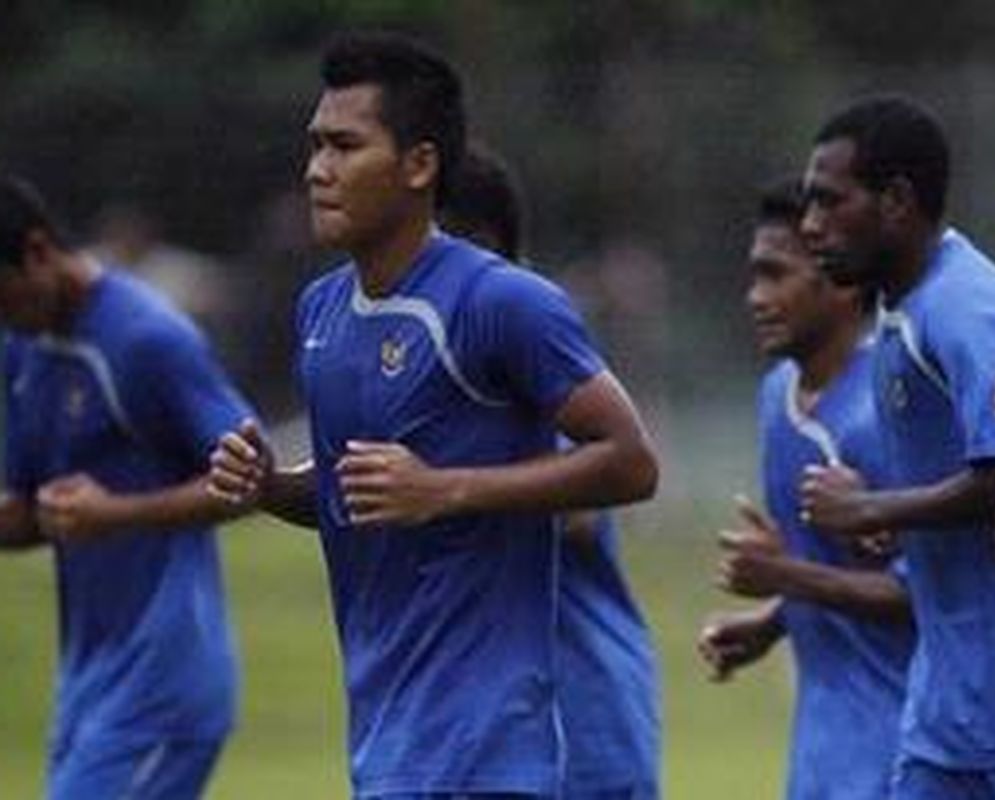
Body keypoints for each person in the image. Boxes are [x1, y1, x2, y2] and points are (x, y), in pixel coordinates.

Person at [207, 31, 658, 799]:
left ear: (419, 164)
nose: (318, 170)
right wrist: (269, 487)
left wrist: (447, 490)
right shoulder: (323, 312)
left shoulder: (501, 302)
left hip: (486, 748)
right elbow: (357, 489)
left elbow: (631, 462)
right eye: (315, 145)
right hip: (386, 735)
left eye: (346, 146)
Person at [796, 95, 995, 798]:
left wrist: (873, 509)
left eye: (831, 203)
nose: (811, 227)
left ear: (896, 200)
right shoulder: (905, 303)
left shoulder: (962, 307)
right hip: (948, 698)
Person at [0, 175, 253, 798]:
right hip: (87, 680)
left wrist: (116, 514)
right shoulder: (24, 348)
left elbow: (251, 479)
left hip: (163, 678)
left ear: (36, 251)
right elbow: (26, 515)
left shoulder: (144, 340)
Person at [441, 144, 661, 799]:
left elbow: (582, 510)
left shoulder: (526, 341)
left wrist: (439, 485)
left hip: (579, 716)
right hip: (469, 728)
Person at [697, 177, 912, 799]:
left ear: (842, 282)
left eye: (775, 275)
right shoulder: (776, 395)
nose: (756, 298)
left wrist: (786, 577)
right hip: (821, 743)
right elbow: (833, 567)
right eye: (753, 276)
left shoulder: (886, 410)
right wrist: (774, 621)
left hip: (898, 746)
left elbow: (932, 591)